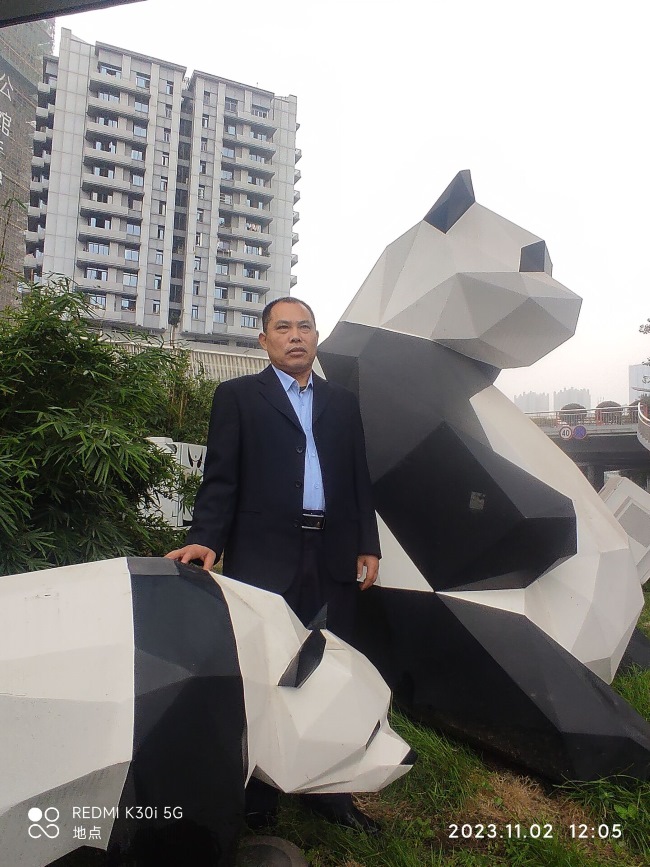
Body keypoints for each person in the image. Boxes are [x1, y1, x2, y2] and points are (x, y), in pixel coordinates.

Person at [166, 296, 381, 833]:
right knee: (265, 673)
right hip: (264, 554)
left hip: (332, 552)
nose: (295, 335)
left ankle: (330, 791)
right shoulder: (238, 397)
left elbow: (358, 478)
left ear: (316, 337)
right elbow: (221, 479)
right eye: (283, 328)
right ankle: (259, 793)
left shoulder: (342, 402)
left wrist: (368, 543)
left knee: (330, 670)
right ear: (264, 341)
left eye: (305, 326)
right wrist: (206, 540)